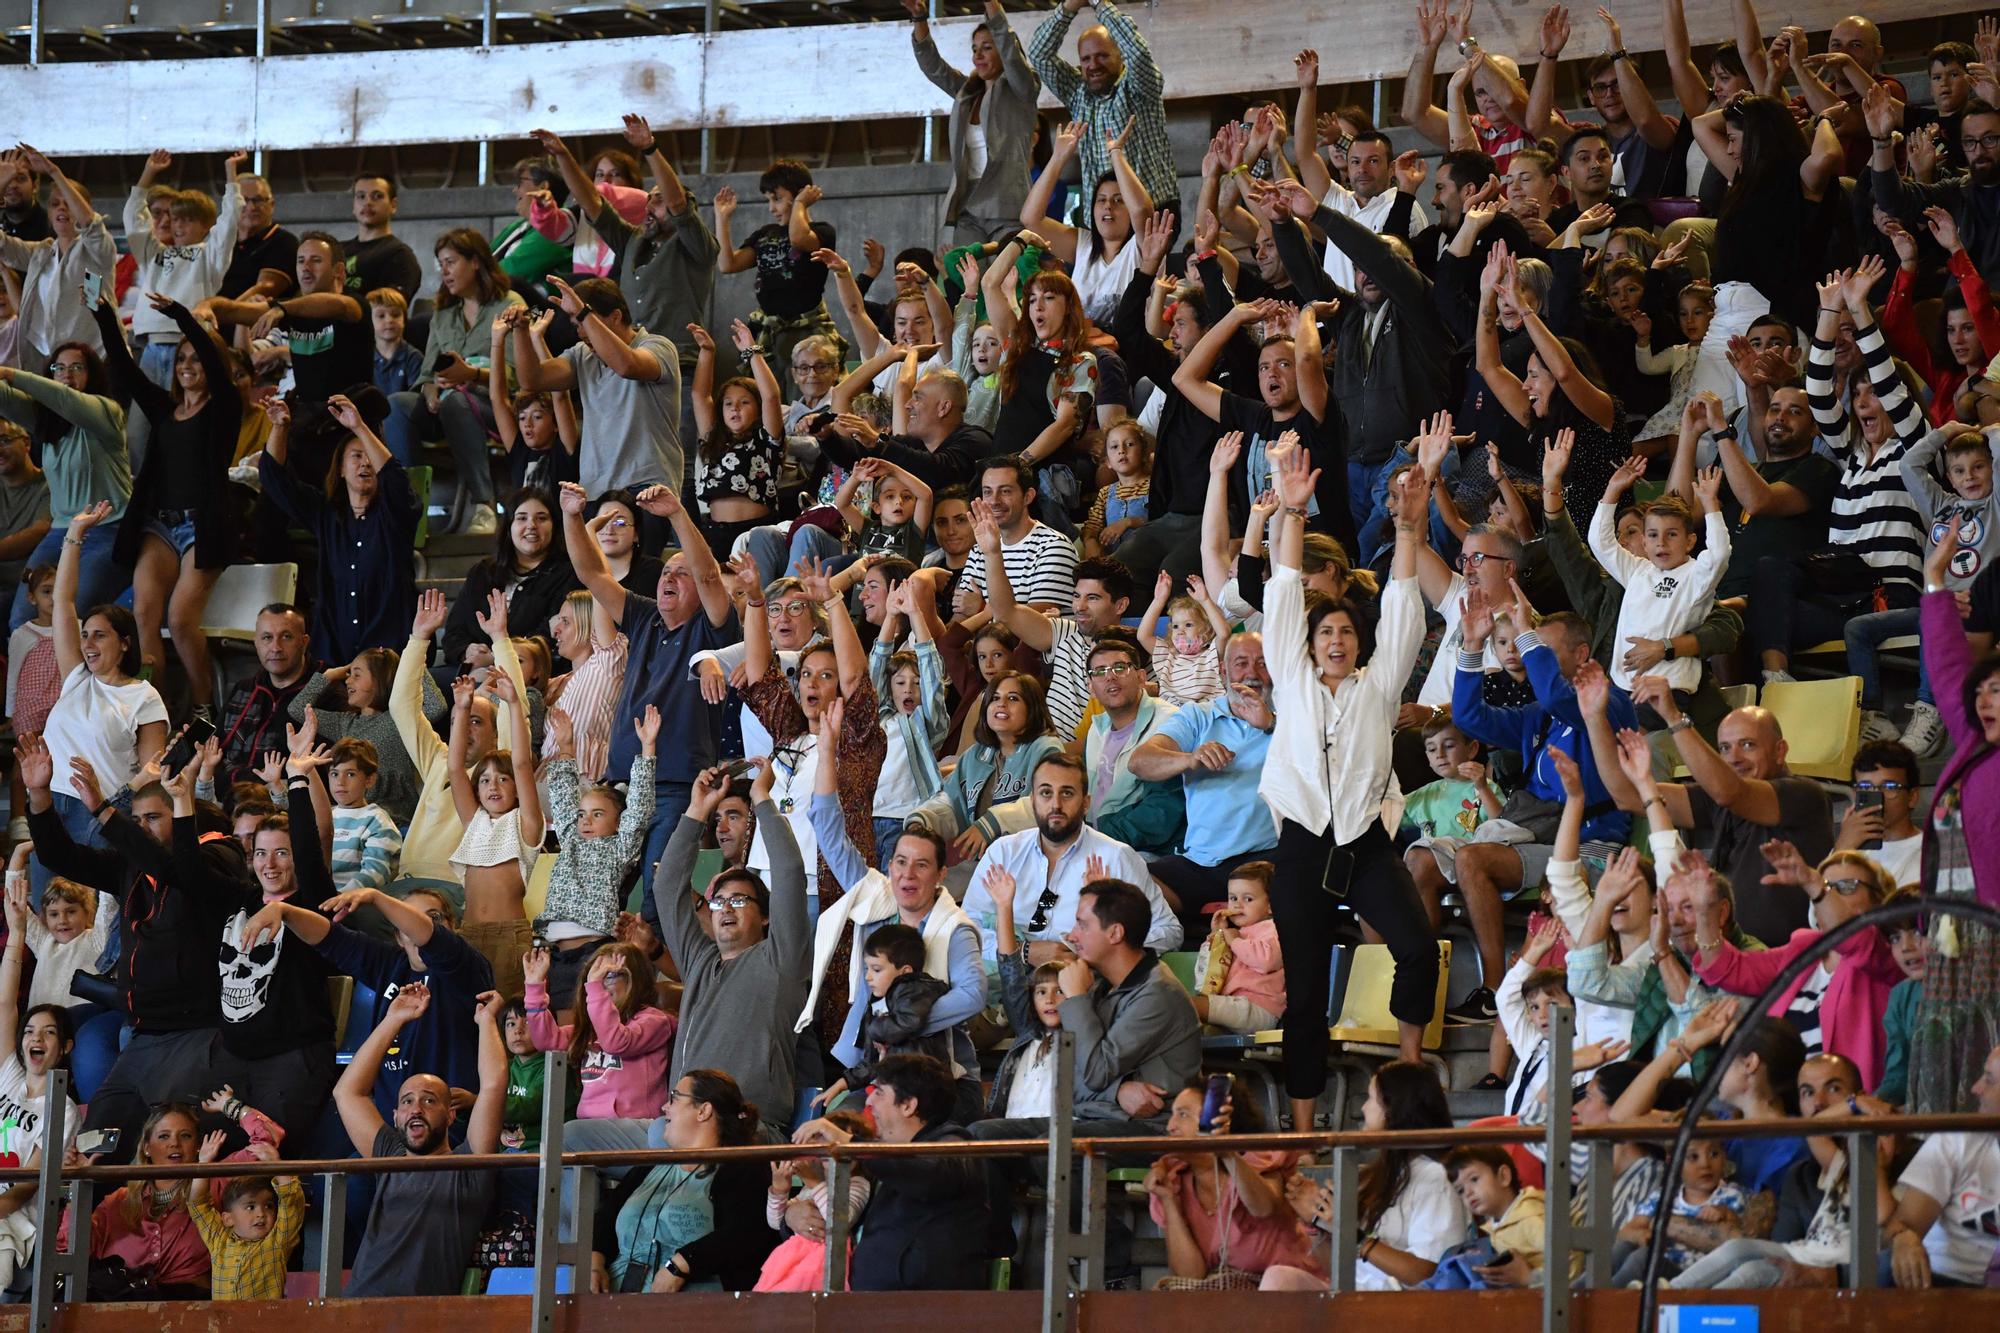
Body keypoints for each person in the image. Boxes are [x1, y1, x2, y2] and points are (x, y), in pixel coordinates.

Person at [1261, 448, 1437, 1126]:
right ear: (1306, 646)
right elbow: (1281, 587)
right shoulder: (1293, 679)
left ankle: (1408, 1068)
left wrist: (1410, 529)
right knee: (1304, 992)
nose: (1336, 638)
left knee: (1417, 948)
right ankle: (1303, 1126)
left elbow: (1401, 603)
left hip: (1364, 843)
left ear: (1361, 646)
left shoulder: (1379, 686)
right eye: (1324, 630)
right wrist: (1293, 508)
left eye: (1345, 631)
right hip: (1303, 847)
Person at [560, 480, 737, 895]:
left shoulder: (713, 629)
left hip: (676, 788)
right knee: (600, 895)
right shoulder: (643, 616)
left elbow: (710, 575)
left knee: (661, 895)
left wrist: (677, 514)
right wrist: (572, 516)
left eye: (681, 573)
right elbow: (591, 572)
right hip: (620, 784)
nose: (668, 578)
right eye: (666, 572)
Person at [91, 291, 240, 714]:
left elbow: (216, 363)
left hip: (203, 527)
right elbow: (125, 368)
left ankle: (203, 706)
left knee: (179, 619)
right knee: (143, 614)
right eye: (182, 359)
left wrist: (180, 316)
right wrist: (104, 315)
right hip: (159, 525)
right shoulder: (165, 409)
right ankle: (154, 705)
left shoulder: (223, 409)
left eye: (196, 359)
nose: (188, 366)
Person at [241, 883, 491, 1128]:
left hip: (448, 1129)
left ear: (453, 926)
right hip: (389, 1126)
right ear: (398, 937)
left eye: (434, 917)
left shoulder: (465, 966)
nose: (415, 927)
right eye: (406, 920)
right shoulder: (391, 964)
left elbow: (432, 938)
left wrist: (376, 898)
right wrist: (285, 911)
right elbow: (332, 938)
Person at [1594, 691, 1834, 946]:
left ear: (1780, 751)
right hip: (1728, 961)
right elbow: (1628, 796)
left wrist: (1673, 717)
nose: (1735, 758)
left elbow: (1728, 792)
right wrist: (1594, 717)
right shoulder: (1719, 799)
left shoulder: (1805, 795)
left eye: (1748, 745)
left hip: (1791, 966)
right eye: (1725, 748)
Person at [654, 759, 811, 1134]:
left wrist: (762, 798)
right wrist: (697, 810)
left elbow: (789, 873)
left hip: (748, 1124)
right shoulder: (699, 960)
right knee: (574, 1136)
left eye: (739, 901)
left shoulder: (781, 959)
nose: (726, 909)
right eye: (719, 901)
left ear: (767, 916)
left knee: (658, 1136)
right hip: (681, 1121)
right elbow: (666, 885)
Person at [1907, 519, 2000, 1114]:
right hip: (1953, 942)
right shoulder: (1971, 746)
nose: (1985, 698)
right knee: (1960, 1071)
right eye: (1984, 690)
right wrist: (1935, 580)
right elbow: (1945, 669)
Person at [29, 500, 168, 891]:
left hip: (102, 814)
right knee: (45, 911)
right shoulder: (76, 677)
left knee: (93, 919)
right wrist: (74, 534)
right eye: (84, 634)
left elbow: (151, 770)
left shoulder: (144, 697)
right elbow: (64, 601)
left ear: (125, 644)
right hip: (53, 806)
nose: (87, 643)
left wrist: (111, 807)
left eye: (99, 635)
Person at [331, 984, 504, 1297]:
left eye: (429, 1101)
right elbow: (347, 1092)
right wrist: (393, 1020)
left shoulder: (470, 1167)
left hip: (424, 1317)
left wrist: (487, 1021)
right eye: (407, 1101)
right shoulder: (389, 1154)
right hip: (359, 1309)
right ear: (396, 1116)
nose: (416, 1109)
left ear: (450, 1115)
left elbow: (493, 1085)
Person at [1692, 843, 1906, 1086]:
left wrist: (1813, 882)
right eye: (1827, 886)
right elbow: (1728, 969)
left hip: (1851, 1108)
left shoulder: (1886, 953)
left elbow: (1854, 938)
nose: (1831, 894)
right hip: (1787, 1105)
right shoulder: (1804, 950)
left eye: (1846, 887)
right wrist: (1704, 910)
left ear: (1879, 901)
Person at [960, 752, 1182, 968]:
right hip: (1004, 984)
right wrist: (1024, 951)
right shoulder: (1003, 853)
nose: (1056, 804)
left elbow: (1168, 931)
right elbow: (965, 931)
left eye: (1067, 793)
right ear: (1033, 800)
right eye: (1046, 793)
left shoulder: (1116, 857)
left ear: (1086, 803)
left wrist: (1098, 952)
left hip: (1086, 988)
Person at [1261, 1063, 1470, 1291]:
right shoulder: (1379, 1174)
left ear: (1393, 1109)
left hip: (1402, 1310)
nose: (1363, 1108)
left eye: (1371, 1099)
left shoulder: (1436, 1178)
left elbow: (1425, 1273)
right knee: (1279, 1279)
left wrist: (1350, 1232)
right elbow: (1338, 1273)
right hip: (1354, 1297)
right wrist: (1316, 1221)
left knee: (1279, 1280)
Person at [789, 1053, 988, 1291]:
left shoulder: (954, 1145)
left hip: (922, 1308)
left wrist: (849, 1143)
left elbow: (926, 1178)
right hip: (868, 1300)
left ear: (908, 1105)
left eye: (879, 1092)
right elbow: (842, 1212)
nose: (869, 1102)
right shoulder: (879, 1155)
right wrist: (792, 1217)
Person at [258, 394, 418, 663]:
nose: (365, 463)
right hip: (332, 657)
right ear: (341, 469)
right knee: (301, 706)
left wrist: (359, 428)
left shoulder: (394, 517)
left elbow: (395, 480)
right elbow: (275, 479)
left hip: (387, 659)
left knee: (385, 703)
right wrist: (280, 427)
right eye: (356, 456)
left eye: (370, 458)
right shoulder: (328, 514)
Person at [386, 228, 524, 536]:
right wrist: (431, 390)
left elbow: (517, 374)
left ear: (474, 262)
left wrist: (471, 375)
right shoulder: (444, 314)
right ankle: (407, 503)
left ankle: (483, 505)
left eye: (450, 262)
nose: (444, 271)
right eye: (440, 264)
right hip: (446, 400)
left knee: (458, 403)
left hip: (494, 403)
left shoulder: (509, 304)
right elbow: (426, 373)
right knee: (397, 404)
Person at [516, 275, 684, 525]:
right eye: (576, 324)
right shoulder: (583, 354)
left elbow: (627, 365)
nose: (581, 333)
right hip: (595, 492)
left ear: (616, 317)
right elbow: (533, 380)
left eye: (585, 322)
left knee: (641, 565)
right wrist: (520, 331)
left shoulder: (658, 346)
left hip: (647, 490)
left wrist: (583, 313)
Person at [589, 1067, 774, 1293]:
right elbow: (607, 1216)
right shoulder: (650, 1164)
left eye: (674, 1098)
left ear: (703, 1111)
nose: (664, 1107)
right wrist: (595, 1262)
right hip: (615, 1300)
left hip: (695, 1310)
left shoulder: (744, 1167)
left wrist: (683, 1264)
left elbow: (746, 1234)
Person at [1143, 1074, 1318, 1289]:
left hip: (1286, 1293)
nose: (1170, 1126)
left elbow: (1264, 1208)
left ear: (1217, 1118)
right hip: (1226, 1298)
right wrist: (1169, 1201)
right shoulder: (1173, 1180)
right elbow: (1190, 1276)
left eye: (1183, 1115)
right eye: (1172, 1115)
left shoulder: (1262, 1160)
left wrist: (1226, 1153)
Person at [0, 345, 130, 632]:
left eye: (77, 367)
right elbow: (5, 398)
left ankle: (72, 678)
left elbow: (65, 400)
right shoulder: (45, 423)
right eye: (58, 368)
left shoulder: (106, 413)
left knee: (70, 615)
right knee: (21, 618)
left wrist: (10, 373)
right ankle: (35, 678)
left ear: (93, 374)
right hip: (59, 532)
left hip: (107, 530)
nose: (67, 374)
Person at [910, 0, 1041, 246]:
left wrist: (992, 6)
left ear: (1002, 50)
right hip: (969, 205)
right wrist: (919, 17)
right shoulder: (967, 92)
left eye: (987, 48)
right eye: (974, 49)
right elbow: (933, 67)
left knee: (1003, 280)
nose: (977, 55)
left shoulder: (1022, 90)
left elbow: (1013, 56)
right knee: (965, 277)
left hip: (1007, 205)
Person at [1026, 0, 1175, 216]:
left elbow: (1139, 54)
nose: (1093, 65)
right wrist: (1069, 7)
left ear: (1121, 55)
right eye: (1086, 59)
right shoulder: (1077, 91)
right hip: (1100, 218)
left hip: (1151, 212)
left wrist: (1099, 3)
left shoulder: (1139, 87)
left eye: (1102, 56)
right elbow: (1039, 55)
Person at [1885, 1042, 2000, 1288]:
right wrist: (1903, 1239)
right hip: (1943, 1284)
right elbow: (1904, 1224)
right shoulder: (1955, 1141)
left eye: (1989, 1080)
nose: (1975, 1088)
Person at [76, 1104, 211, 1298]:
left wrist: (232, 1107)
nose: (174, 1143)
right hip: (118, 1310)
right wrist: (76, 1186)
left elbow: (265, 1141)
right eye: (164, 1136)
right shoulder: (118, 1201)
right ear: (147, 1148)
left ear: (198, 1146)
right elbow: (69, 1248)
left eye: (185, 1136)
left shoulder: (212, 1187)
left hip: (189, 1310)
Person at [0, 146, 114, 374]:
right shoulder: (41, 252)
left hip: (94, 361)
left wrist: (54, 172)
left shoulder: (98, 250)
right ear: (49, 214)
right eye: (54, 203)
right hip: (47, 360)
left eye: (69, 202)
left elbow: (92, 226)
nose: (62, 206)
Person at [1418, 1145, 1549, 1291]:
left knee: (1468, 1266)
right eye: (1460, 1190)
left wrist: (1529, 1277)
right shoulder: (1499, 1222)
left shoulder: (1531, 1217)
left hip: (1542, 1298)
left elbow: (1570, 1261)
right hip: (1521, 1291)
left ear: (1503, 1176)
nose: (1468, 1192)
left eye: (1474, 1179)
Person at [341, 176, 423, 304]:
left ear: (393, 205)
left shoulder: (400, 255)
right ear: (354, 206)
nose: (367, 202)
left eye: (377, 196)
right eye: (361, 196)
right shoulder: (336, 251)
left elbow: (390, 310)